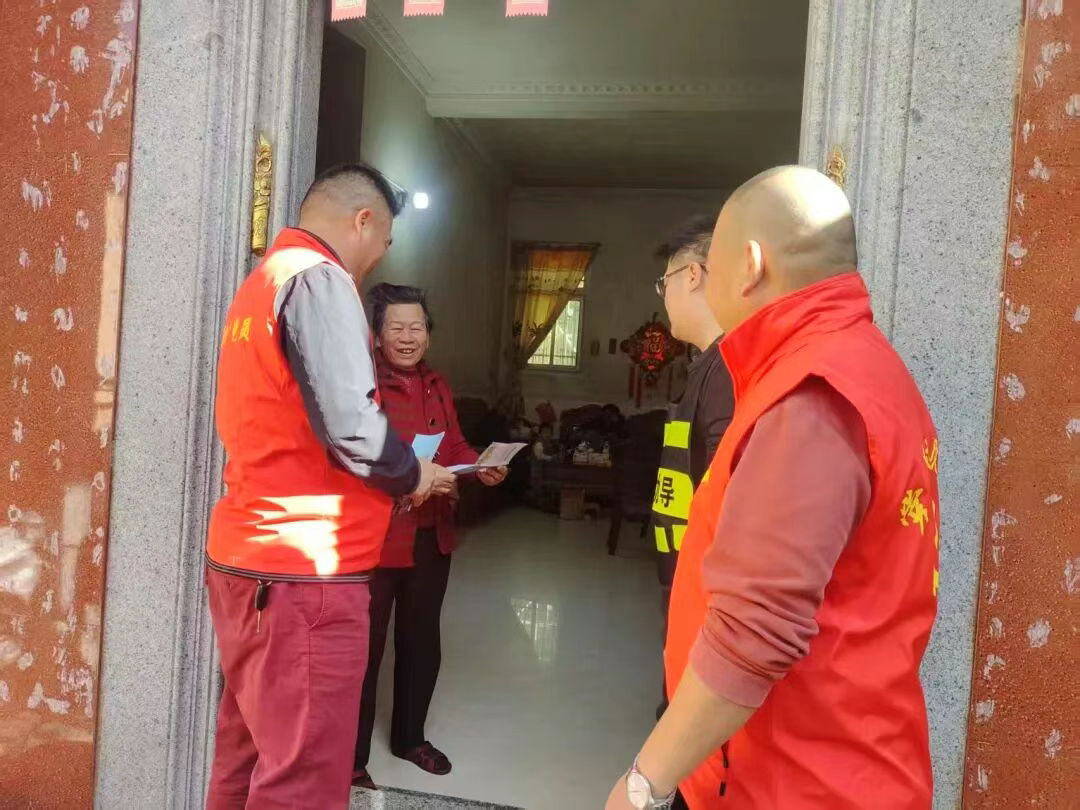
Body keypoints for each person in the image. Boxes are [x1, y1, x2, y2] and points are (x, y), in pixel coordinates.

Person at [607, 166, 940, 810]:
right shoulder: (866, 365)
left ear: (751, 265)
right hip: (842, 751)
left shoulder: (810, 395)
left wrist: (644, 783)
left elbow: (753, 632)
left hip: (792, 779)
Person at [205, 163, 455, 810]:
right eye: (385, 241)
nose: (379, 257)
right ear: (363, 221)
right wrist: (415, 473)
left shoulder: (264, 280)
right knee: (305, 778)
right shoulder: (320, 279)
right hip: (306, 569)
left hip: (251, 558)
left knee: (248, 755)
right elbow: (352, 425)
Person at [352, 284, 507, 790]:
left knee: (422, 641)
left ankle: (409, 738)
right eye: (396, 327)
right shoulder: (363, 386)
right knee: (365, 649)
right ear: (377, 335)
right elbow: (360, 455)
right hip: (378, 539)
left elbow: (454, 445)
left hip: (430, 535)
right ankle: (351, 759)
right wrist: (412, 474)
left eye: (416, 327)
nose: (407, 337)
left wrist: (480, 465)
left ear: (429, 334)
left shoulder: (437, 385)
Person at [650, 215, 734, 725]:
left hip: (704, 591)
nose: (664, 297)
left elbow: (730, 494)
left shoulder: (728, 370)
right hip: (683, 581)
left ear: (694, 275)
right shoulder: (706, 363)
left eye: (665, 283)